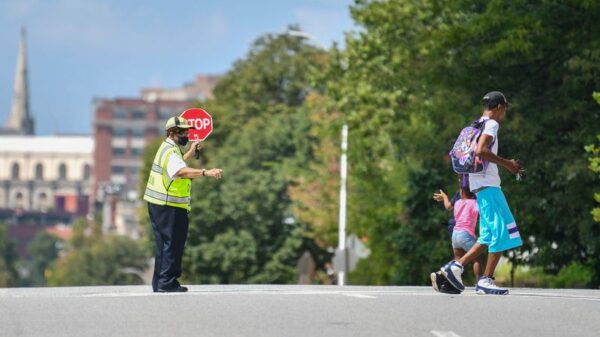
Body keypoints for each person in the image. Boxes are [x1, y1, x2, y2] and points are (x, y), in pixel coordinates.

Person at [437, 91, 523, 295]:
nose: (505, 113)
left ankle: (455, 268)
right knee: (503, 231)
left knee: (487, 235)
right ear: (499, 107)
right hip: (489, 187)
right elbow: (481, 151)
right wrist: (508, 164)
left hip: (479, 186)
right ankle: (486, 280)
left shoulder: (476, 124)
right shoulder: (492, 125)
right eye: (505, 108)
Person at [143, 116, 223, 292]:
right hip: (168, 205)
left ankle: (160, 282)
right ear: (172, 132)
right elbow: (179, 171)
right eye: (183, 132)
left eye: (188, 131)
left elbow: (177, 165)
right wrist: (206, 172)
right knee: (173, 243)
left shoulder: (169, 148)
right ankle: (168, 283)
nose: (187, 134)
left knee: (163, 244)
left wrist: (190, 152)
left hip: (159, 204)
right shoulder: (171, 151)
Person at [431, 175, 481, 292]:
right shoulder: (475, 203)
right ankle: (480, 282)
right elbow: (480, 215)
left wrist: (444, 197)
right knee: (476, 259)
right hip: (466, 234)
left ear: (461, 192)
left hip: (455, 235)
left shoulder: (457, 203)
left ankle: (443, 278)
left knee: (458, 261)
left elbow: (449, 207)